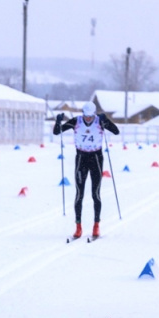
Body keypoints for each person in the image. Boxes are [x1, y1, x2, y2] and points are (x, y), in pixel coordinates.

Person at [53, 101, 119, 239]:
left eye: (90, 116)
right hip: (81, 158)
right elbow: (56, 132)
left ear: (94, 114)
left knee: (95, 193)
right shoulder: (76, 121)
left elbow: (116, 131)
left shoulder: (99, 121)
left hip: (96, 158)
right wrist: (58, 122)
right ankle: (78, 227)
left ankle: (96, 225)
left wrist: (106, 120)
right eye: (86, 116)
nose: (88, 119)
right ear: (82, 114)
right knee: (79, 194)